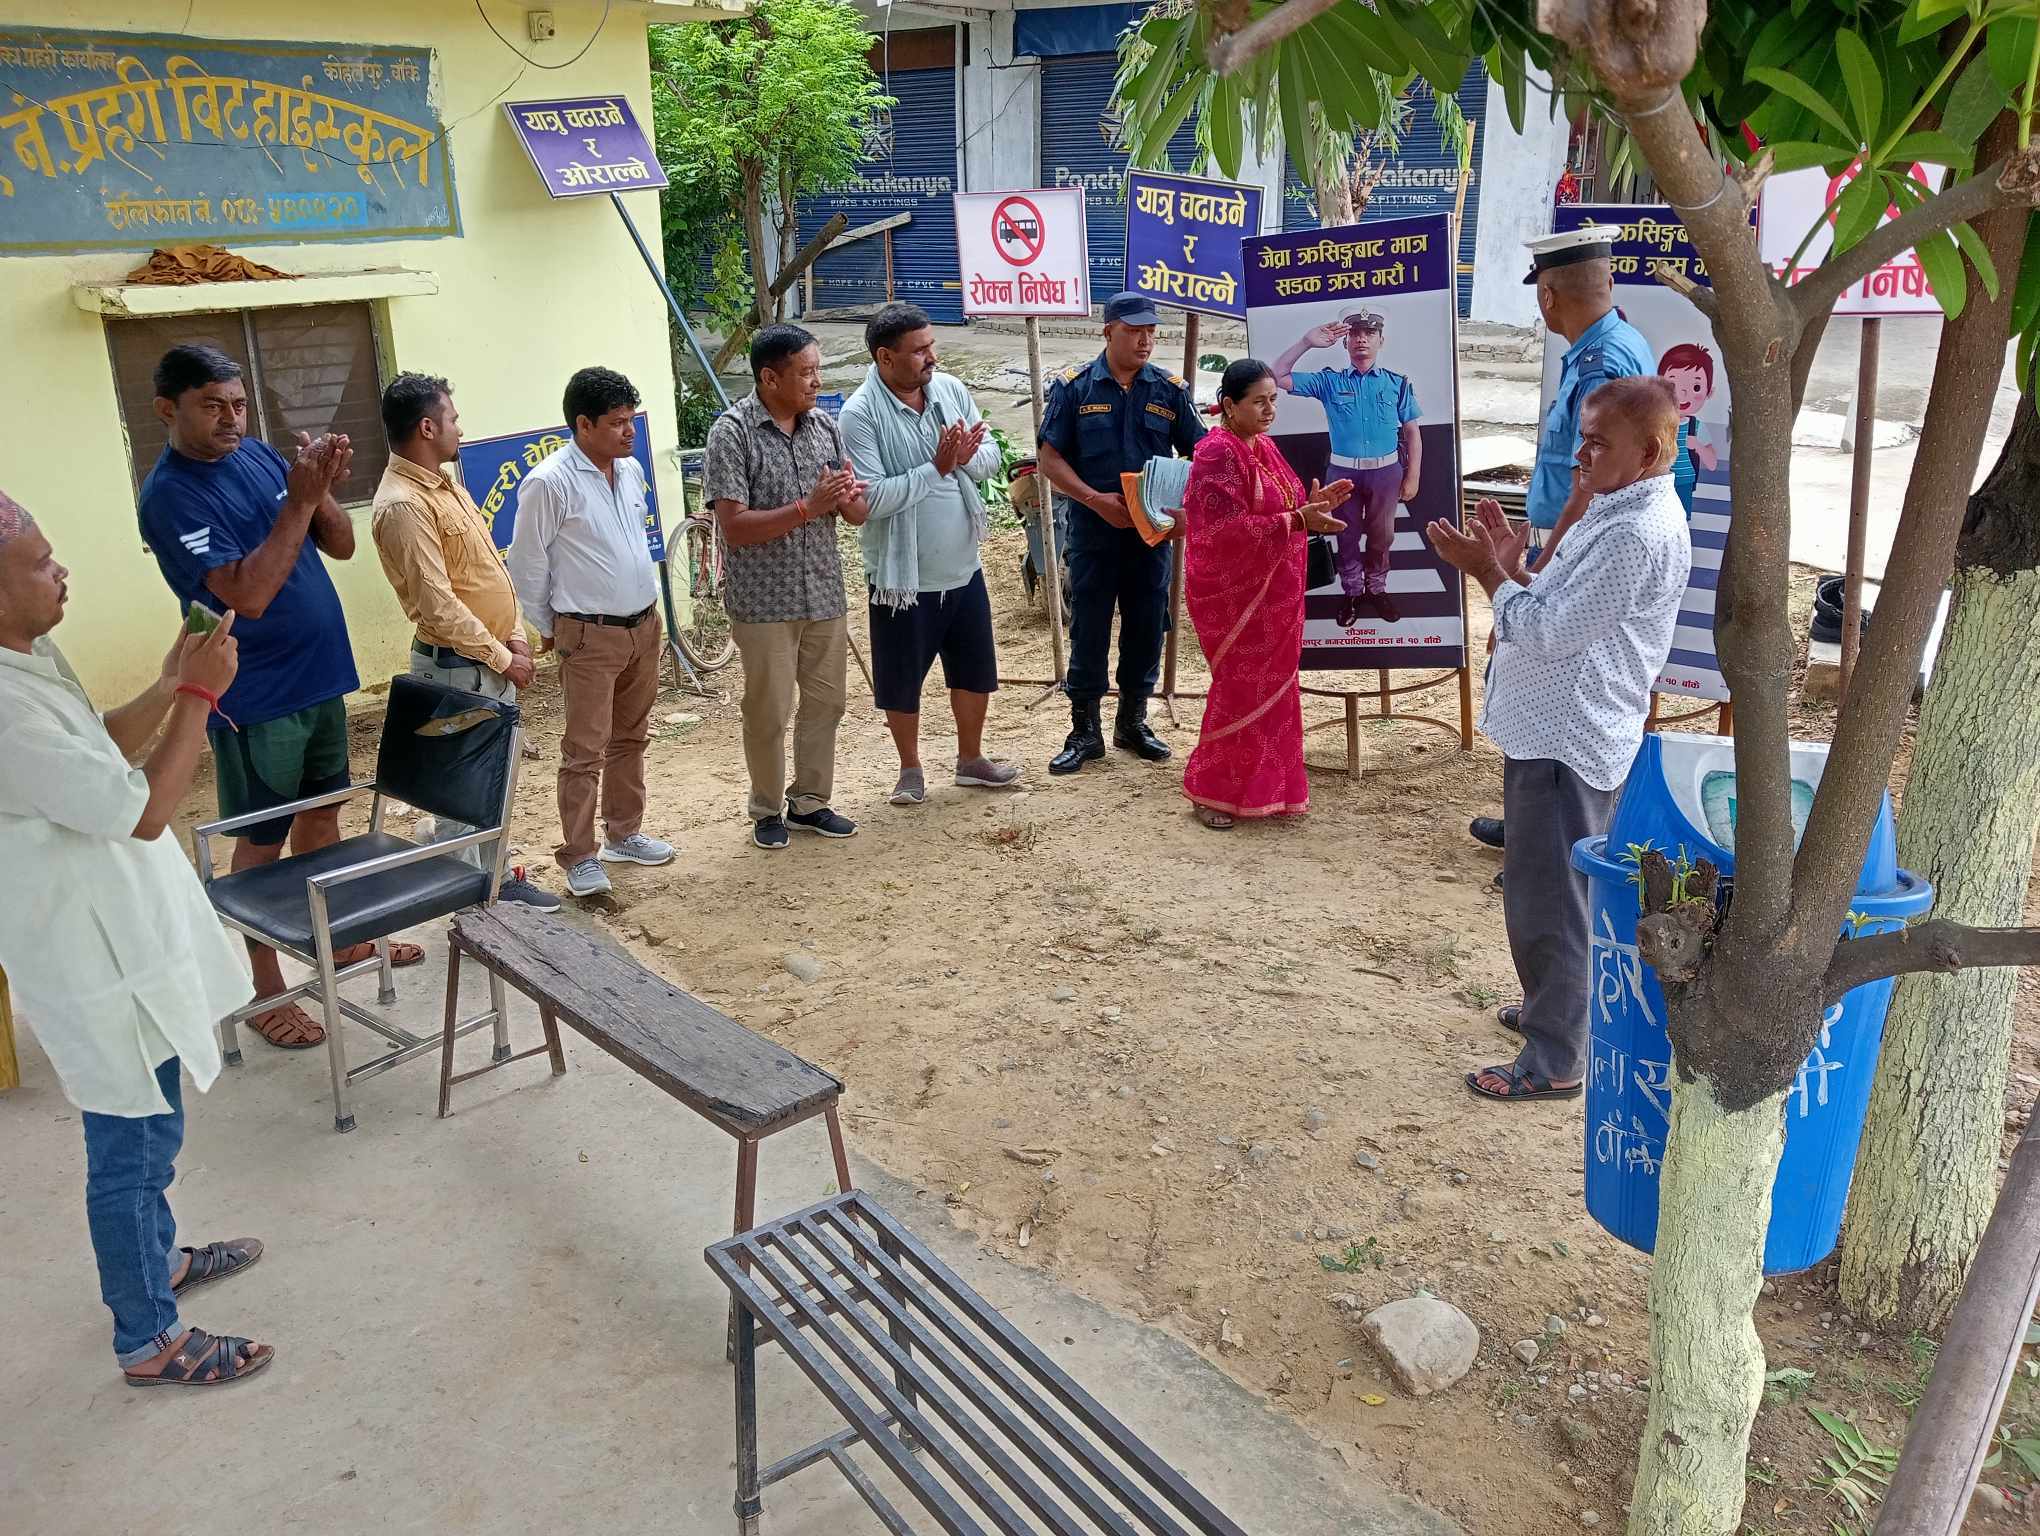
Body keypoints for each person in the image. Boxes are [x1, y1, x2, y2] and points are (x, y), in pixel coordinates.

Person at [0, 493, 275, 1387]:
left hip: (122, 936)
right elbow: (147, 810)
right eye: (41, 564)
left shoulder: (29, 658)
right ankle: (147, 1339)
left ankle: (158, 1263)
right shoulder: (3, 712)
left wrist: (164, 686)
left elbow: (101, 755)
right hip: (91, 963)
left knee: (155, 1127)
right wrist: (198, 696)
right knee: (129, 1147)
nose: (61, 572)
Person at [136, 343, 413, 1054]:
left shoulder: (259, 455)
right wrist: (297, 498)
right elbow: (248, 595)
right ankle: (264, 991)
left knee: (322, 816)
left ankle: (337, 939)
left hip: (321, 675)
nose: (231, 419)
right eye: (212, 406)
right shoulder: (170, 496)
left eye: (238, 404)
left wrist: (318, 486)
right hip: (255, 694)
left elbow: (341, 545)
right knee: (262, 840)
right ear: (167, 409)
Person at [1424, 377, 1691, 1103]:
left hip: (1567, 738)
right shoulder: (1619, 507)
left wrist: (1488, 574)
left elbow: (1548, 631)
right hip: (1557, 728)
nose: (1582, 454)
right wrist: (1513, 569)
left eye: (1599, 443)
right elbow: (1558, 605)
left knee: (1552, 903)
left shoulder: (1635, 530)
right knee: (1549, 890)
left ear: (1649, 452)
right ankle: (1558, 1013)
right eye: (1583, 438)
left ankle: (1556, 1057)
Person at [1468, 226, 1654, 856]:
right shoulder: (1599, 347)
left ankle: (1556, 842)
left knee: (1567, 685)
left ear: (1547, 295)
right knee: (1544, 683)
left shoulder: (1606, 361)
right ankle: (1533, 825)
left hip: (1583, 543)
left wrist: (1537, 575)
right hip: (1576, 538)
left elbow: (1589, 480)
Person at [370, 372, 558, 910]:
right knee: (460, 797)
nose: (460, 427)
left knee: (491, 785)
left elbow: (485, 571)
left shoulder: (443, 484)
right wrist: (503, 656)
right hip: (458, 668)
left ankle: (494, 881)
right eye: (452, 418)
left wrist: (515, 639)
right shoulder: (403, 504)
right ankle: (470, 907)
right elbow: (438, 605)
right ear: (427, 428)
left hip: (487, 662)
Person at [837, 303, 1021, 806]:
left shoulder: (950, 390)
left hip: (963, 565)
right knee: (902, 678)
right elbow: (871, 498)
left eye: (931, 346)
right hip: (902, 578)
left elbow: (990, 458)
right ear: (885, 357)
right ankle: (910, 768)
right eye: (919, 351)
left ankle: (971, 759)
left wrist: (964, 459)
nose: (931, 358)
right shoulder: (858, 415)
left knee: (974, 669)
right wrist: (937, 468)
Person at [507, 367, 676, 898]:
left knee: (632, 735)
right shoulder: (549, 483)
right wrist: (551, 627)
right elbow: (526, 564)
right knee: (585, 749)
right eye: (617, 422)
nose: (630, 432)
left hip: (642, 625)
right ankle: (580, 855)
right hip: (588, 634)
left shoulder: (629, 471)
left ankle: (624, 833)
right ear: (583, 425)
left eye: (632, 420)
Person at [703, 324, 872, 849]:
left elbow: (855, 515)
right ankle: (766, 808)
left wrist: (848, 498)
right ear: (769, 378)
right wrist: (806, 507)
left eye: (818, 370)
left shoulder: (824, 427)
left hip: (823, 592)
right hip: (764, 603)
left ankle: (810, 802)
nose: (817, 381)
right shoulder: (732, 432)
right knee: (768, 711)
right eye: (806, 372)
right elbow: (734, 526)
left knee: (827, 704)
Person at [1036, 291, 1205, 775]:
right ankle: (1084, 731)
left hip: (1151, 536)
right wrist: (1094, 500)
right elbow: (1049, 458)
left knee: (1147, 626)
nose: (1145, 340)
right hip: (1094, 531)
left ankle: (1133, 722)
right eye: (1133, 331)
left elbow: (1203, 453)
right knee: (1089, 626)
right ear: (1108, 331)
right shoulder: (1075, 388)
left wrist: (1184, 509)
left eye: (1151, 331)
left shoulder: (1170, 390)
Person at [1180, 361, 1351, 829]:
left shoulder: (1264, 446)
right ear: (1229, 405)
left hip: (1276, 594)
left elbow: (1285, 507)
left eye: (1273, 399)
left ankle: (1267, 791)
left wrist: (1312, 507)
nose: (1270, 409)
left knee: (1275, 690)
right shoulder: (1217, 453)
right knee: (1239, 691)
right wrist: (1298, 520)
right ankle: (1212, 792)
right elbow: (1220, 533)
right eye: (1259, 401)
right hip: (1233, 597)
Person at [1270, 308, 1421, 626]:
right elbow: (1276, 376)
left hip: (1386, 472)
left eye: (1369, 333)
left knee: (1382, 536)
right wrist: (1306, 342)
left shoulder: (1397, 383)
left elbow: (1411, 431)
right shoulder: (1329, 381)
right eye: (1354, 333)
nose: (1361, 339)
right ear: (1345, 342)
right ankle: (1352, 592)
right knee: (1345, 535)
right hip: (1342, 473)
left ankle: (1376, 589)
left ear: (1381, 340)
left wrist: (1413, 475)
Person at [1656, 342, 1719, 518]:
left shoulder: (1696, 427)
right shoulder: (1657, 422)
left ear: (1709, 392)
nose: (1682, 395)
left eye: (1696, 387)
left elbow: (1712, 463)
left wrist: (1697, 446)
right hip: (1658, 482)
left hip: (1684, 480)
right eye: (1673, 385)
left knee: (1680, 521)